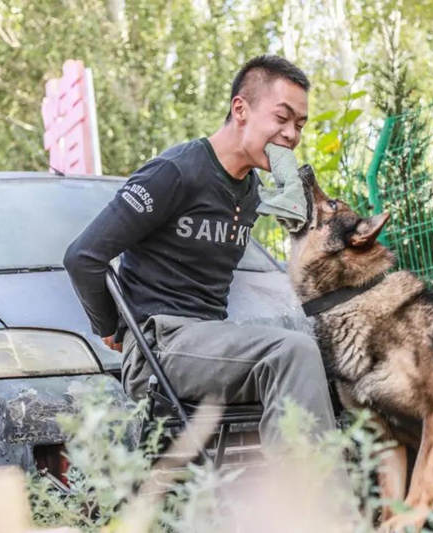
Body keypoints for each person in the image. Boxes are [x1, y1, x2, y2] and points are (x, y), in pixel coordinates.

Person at [63, 55, 336, 447]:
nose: (292, 134)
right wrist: (111, 329)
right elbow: (83, 257)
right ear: (240, 109)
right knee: (291, 352)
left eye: (299, 125)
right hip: (161, 347)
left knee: (324, 355)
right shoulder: (175, 172)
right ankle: (312, 501)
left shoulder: (251, 190)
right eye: (282, 118)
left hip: (212, 342)